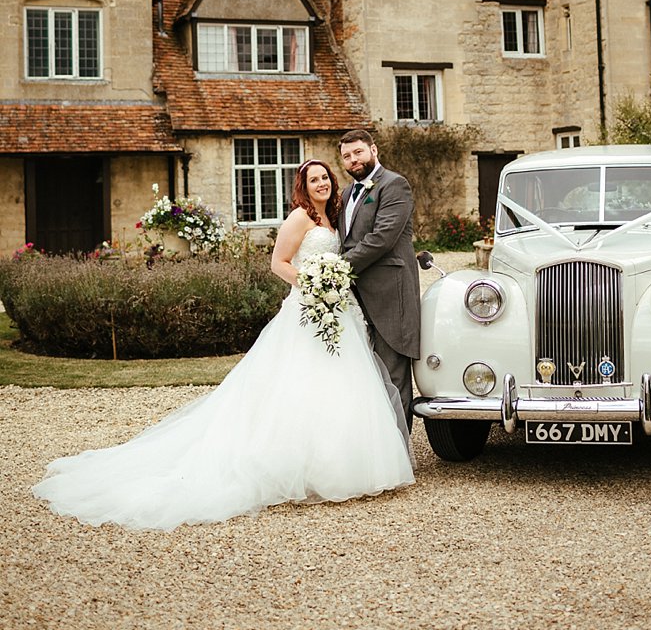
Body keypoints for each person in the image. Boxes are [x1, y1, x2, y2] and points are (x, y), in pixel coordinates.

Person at [34, 159, 414, 530]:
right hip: (307, 307)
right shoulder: (299, 217)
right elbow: (279, 263)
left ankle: (342, 464)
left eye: (325, 178)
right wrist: (312, 285)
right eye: (313, 180)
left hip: (338, 311)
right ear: (303, 186)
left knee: (343, 383)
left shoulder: (333, 219)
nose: (322, 184)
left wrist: (331, 287)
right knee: (299, 384)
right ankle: (293, 466)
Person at [337, 129, 420, 435]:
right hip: (356, 296)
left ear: (373, 149)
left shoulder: (394, 184)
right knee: (365, 371)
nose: (353, 160)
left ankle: (399, 450)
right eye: (346, 156)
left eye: (358, 152)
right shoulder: (347, 194)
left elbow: (382, 239)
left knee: (393, 373)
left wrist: (336, 268)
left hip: (390, 293)